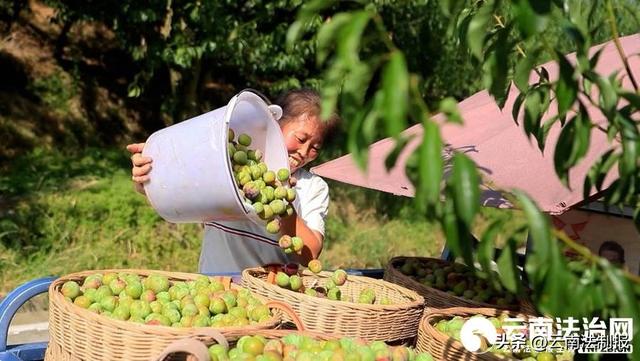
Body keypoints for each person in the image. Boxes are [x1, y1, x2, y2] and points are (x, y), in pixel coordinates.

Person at [127, 89, 340, 274]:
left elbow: (311, 254)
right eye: (301, 139)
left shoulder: (312, 187)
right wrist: (147, 174)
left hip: (272, 297)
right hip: (216, 288)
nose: (304, 152)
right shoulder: (225, 161)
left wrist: (283, 205)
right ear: (275, 123)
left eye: (315, 148)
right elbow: (175, 186)